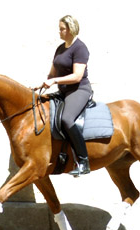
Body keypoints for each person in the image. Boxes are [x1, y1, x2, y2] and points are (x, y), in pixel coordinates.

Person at [41, 15, 92, 176]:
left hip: (79, 90)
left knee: (66, 119)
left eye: (62, 29)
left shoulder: (80, 48)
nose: (59, 32)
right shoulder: (60, 48)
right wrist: (42, 83)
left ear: (71, 29)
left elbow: (77, 76)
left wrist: (55, 80)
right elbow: (52, 73)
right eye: (60, 29)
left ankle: (83, 161)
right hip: (63, 91)